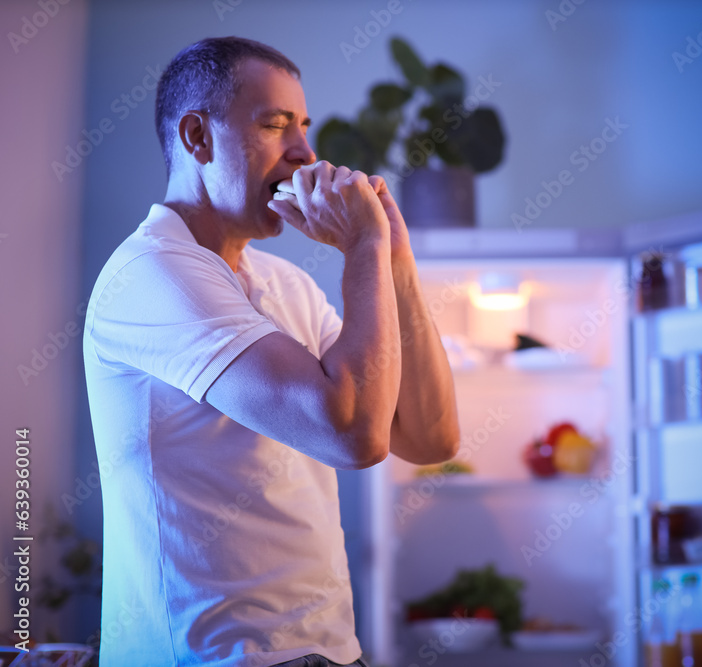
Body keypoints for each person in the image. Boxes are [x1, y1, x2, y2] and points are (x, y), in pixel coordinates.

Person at [83, 36, 460, 666]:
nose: (304, 154)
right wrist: (362, 251)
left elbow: (429, 438)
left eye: (303, 128)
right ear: (198, 138)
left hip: (334, 651)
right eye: (274, 125)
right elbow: (354, 438)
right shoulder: (152, 274)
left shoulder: (285, 284)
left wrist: (395, 260)